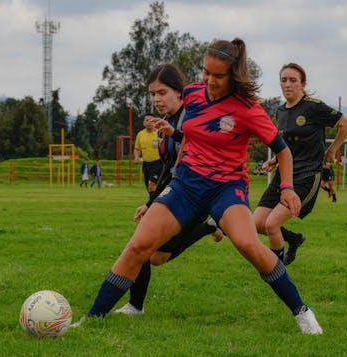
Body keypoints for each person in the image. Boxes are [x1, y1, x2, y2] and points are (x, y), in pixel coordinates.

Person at [73, 38, 323, 334]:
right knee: (139, 246)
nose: (210, 81)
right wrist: (177, 151)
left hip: (226, 189)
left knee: (247, 244)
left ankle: (302, 312)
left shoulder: (247, 109)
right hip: (185, 187)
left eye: (218, 76)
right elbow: (190, 132)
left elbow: (283, 151)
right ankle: (91, 321)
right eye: (206, 72)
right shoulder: (192, 93)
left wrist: (287, 187)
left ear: (233, 76)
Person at [114, 63, 223, 316]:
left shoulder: (192, 115)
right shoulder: (165, 123)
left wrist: (175, 133)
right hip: (177, 192)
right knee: (156, 256)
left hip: (198, 193)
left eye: (162, 93)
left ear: (179, 91)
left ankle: (134, 306)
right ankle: (210, 227)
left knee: (144, 246)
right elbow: (168, 169)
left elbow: (194, 142)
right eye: (152, 94)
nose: (156, 99)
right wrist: (150, 202)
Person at [254, 62, 347, 265]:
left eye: (293, 80)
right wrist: (274, 160)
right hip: (284, 174)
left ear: (303, 84)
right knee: (257, 223)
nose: (287, 84)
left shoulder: (313, 106)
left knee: (272, 224)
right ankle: (294, 239)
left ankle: (276, 270)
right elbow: (286, 144)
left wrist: (332, 149)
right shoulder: (280, 111)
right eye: (283, 80)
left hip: (307, 174)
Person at [135, 114, 163, 199]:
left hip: (158, 163)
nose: (149, 122)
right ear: (144, 123)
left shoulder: (159, 132)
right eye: (147, 120)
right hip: (146, 164)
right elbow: (137, 148)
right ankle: (155, 202)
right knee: (149, 188)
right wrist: (137, 157)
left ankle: (152, 206)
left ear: (155, 122)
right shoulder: (140, 134)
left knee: (152, 184)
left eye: (151, 120)